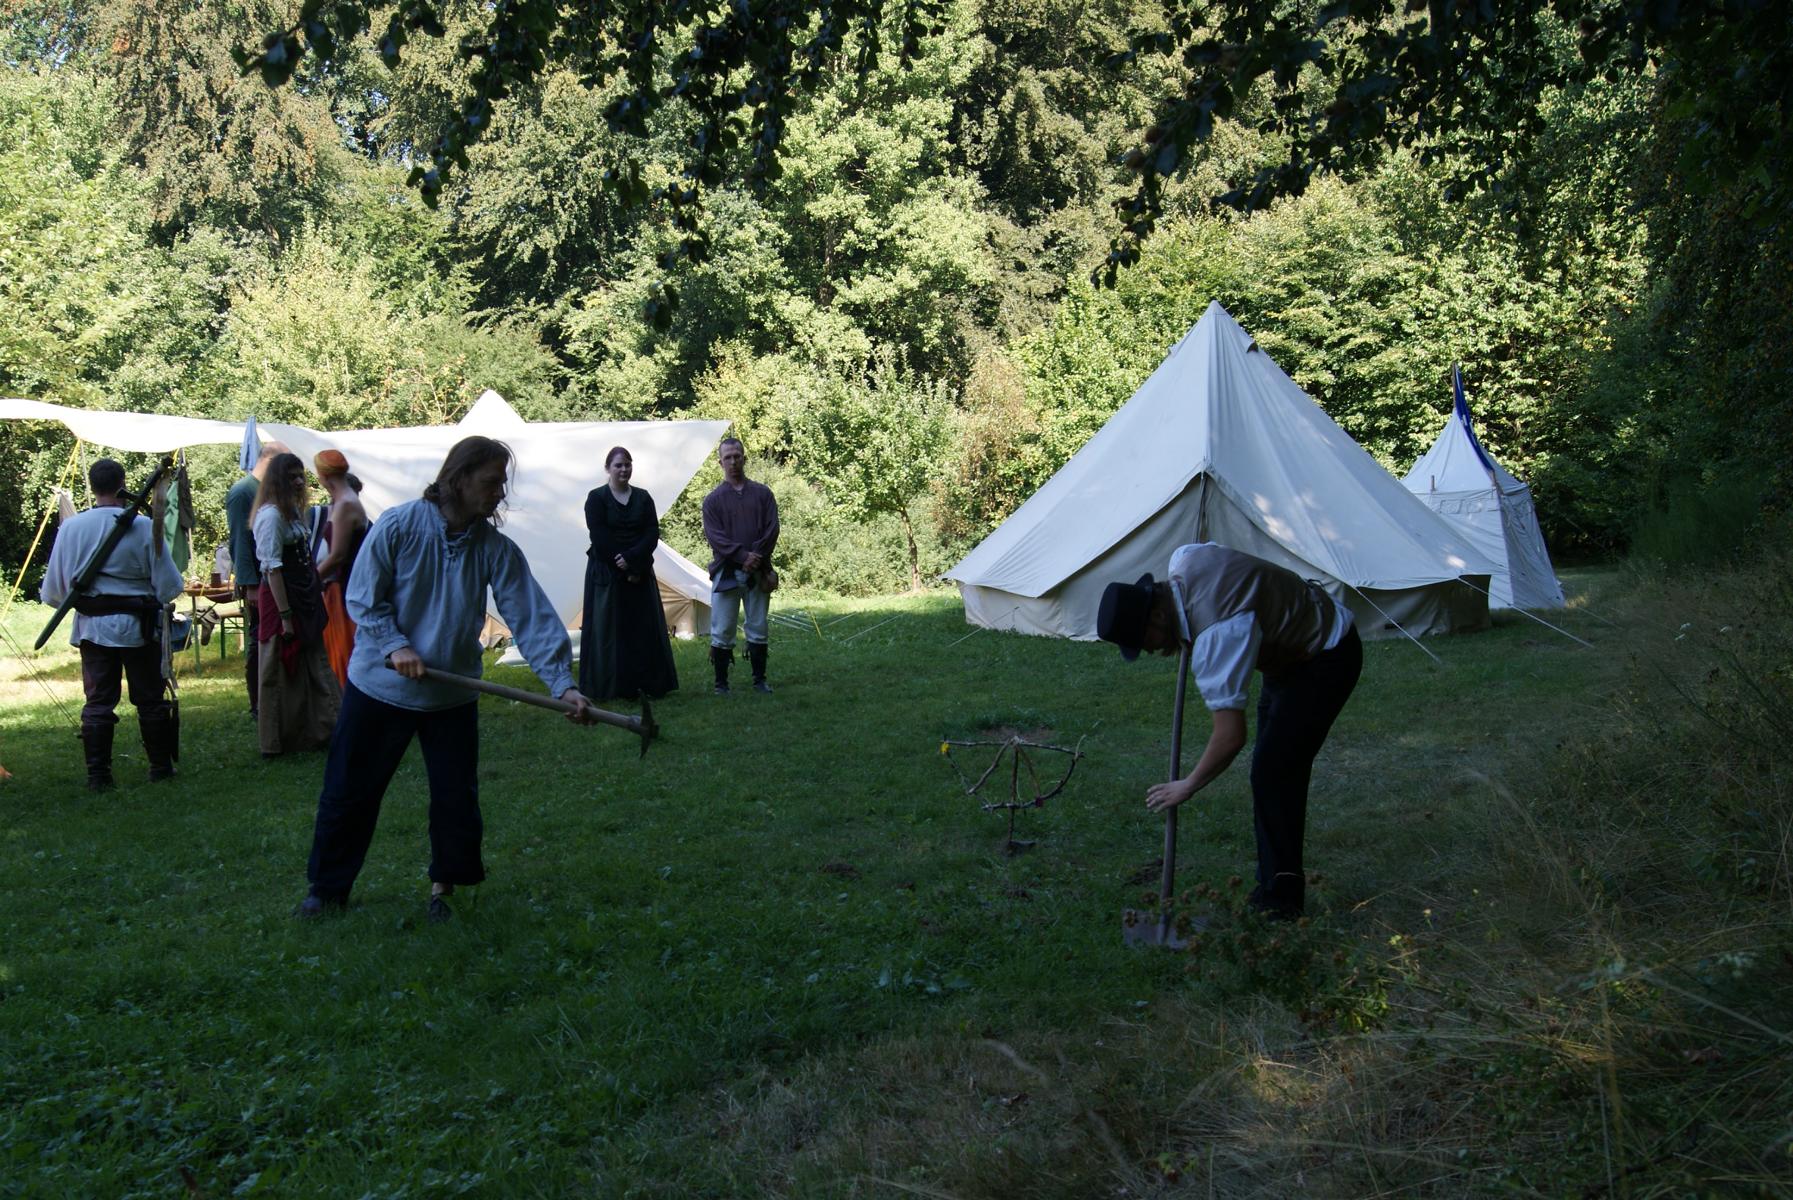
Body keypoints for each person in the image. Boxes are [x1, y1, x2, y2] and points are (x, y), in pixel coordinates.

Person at [298, 436, 594, 923]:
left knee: (456, 799)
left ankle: (447, 890)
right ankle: (326, 890)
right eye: (491, 481)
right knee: (350, 791)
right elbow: (363, 596)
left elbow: (531, 617)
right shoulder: (399, 525)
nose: (500, 492)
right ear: (458, 479)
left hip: (451, 692)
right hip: (380, 687)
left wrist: (563, 684)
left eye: (502, 482)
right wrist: (395, 645)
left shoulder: (493, 548)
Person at [1096, 542, 1363, 919]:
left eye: (1144, 641)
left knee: (1275, 771)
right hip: (1287, 653)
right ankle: (1273, 882)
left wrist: (1188, 785)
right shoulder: (1183, 560)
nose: (1151, 651)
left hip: (1325, 655)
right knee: (1270, 771)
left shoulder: (1218, 636)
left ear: (1157, 615)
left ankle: (1281, 899)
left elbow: (1230, 735)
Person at [39, 458, 183, 789]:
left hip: (94, 628)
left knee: (99, 702)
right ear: (122, 484)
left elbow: (54, 593)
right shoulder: (144, 526)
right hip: (138, 627)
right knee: (150, 698)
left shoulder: (73, 528)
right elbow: (168, 586)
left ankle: (99, 776)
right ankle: (160, 768)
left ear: (93, 487)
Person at [252, 452, 340, 755]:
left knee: (312, 660)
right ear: (278, 481)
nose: (300, 481)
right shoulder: (271, 516)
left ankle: (320, 729)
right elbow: (272, 569)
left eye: (301, 475)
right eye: (292, 477)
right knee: (279, 666)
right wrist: (285, 615)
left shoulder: (291, 512)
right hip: (281, 600)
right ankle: (278, 740)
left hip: (302, 595)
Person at [579, 447, 678, 700]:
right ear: (608, 469)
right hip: (606, 572)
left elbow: (651, 532)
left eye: (627, 464)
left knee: (642, 627)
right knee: (611, 629)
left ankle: (647, 683)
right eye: (618, 465)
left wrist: (634, 561)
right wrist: (620, 563)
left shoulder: (643, 498)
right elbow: (598, 534)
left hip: (640, 568)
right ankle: (614, 686)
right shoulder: (596, 498)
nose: (624, 469)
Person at [701, 437, 779, 695]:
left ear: (744, 458)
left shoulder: (763, 494)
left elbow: (771, 528)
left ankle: (759, 680)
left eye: (737, 456)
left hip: (758, 570)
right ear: (720, 462)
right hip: (727, 572)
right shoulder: (713, 501)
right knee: (722, 628)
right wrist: (742, 556)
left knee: (758, 626)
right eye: (728, 457)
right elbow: (716, 537)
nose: (733, 461)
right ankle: (721, 684)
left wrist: (756, 556)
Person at [224, 440, 289, 721]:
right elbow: (240, 540)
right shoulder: (243, 492)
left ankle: (278, 696)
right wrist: (250, 584)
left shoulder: (267, 490)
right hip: (258, 580)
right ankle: (258, 703)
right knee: (259, 638)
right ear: (271, 461)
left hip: (273, 576)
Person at [313, 449, 367, 688]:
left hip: (342, 588)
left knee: (342, 654)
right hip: (336, 586)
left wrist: (309, 582)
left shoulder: (346, 504)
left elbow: (337, 556)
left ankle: (345, 701)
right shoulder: (343, 501)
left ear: (323, 475)